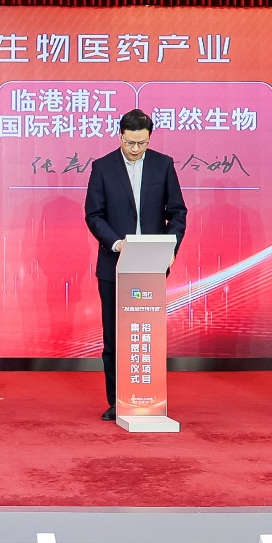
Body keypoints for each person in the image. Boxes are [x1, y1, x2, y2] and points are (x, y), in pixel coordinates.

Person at [85, 109, 187, 421]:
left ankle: (150, 395)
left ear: (149, 138)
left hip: (152, 266)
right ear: (120, 136)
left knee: (148, 333)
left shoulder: (163, 164)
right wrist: (117, 243)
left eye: (141, 143)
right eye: (130, 142)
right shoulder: (103, 167)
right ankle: (118, 400)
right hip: (114, 264)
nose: (135, 149)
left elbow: (178, 212)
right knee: (115, 336)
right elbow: (94, 215)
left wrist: (170, 247)